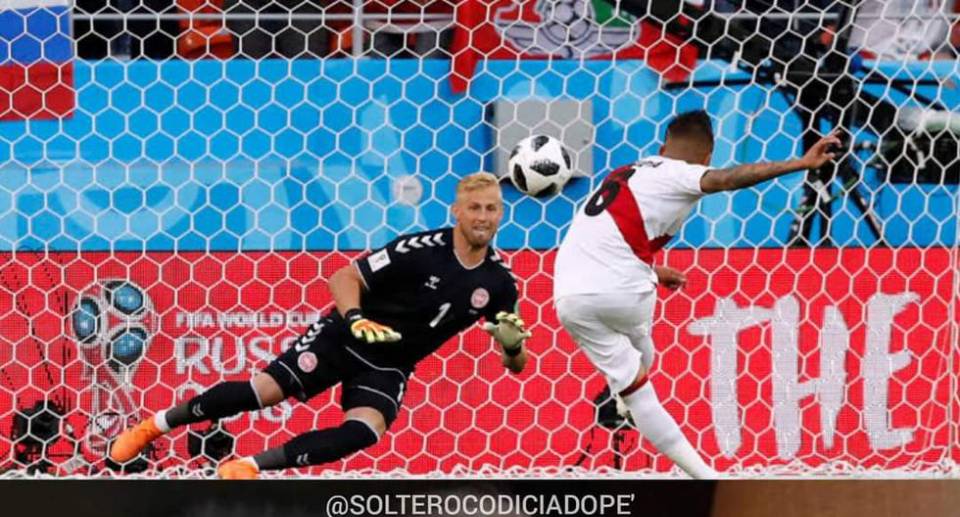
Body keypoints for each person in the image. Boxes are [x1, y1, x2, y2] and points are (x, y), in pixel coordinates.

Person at [110, 173, 531, 478]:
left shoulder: (499, 283)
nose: (483, 217)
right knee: (264, 391)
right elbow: (344, 277)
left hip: (390, 364)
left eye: (491, 208)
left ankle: (248, 467)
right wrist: (355, 318)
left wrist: (513, 348)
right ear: (456, 211)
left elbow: (516, 364)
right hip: (345, 336)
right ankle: (153, 427)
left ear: (501, 213)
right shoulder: (419, 249)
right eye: (474, 207)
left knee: (365, 431)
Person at [553, 110, 840, 478]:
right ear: (707, 157)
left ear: (662, 147)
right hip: (622, 292)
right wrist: (800, 163)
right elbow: (727, 179)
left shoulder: (626, 172)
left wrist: (653, 271)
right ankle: (704, 474)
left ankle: (622, 399)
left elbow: (606, 241)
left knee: (636, 368)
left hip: (569, 295)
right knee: (641, 375)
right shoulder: (681, 173)